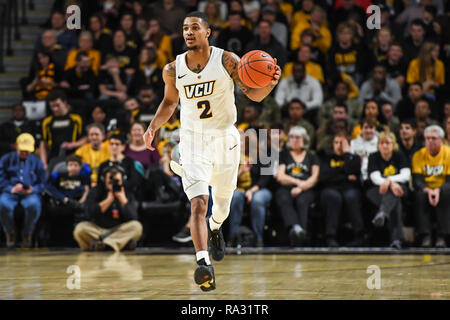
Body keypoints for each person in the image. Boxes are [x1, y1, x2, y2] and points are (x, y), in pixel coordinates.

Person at [142, 11, 280, 292]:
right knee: (198, 203)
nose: (188, 32)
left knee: (222, 206)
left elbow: (252, 93)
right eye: (184, 28)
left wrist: (271, 83)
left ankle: (216, 228)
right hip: (193, 140)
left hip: (225, 139)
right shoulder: (172, 68)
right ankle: (203, 263)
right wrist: (152, 126)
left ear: (208, 32)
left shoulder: (227, 60)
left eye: (194, 27)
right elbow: (169, 103)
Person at [73, 166, 143, 252]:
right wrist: (108, 201)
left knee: (136, 227)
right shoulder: (95, 191)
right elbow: (89, 213)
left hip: (119, 229)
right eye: (110, 182)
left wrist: (123, 200)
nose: (113, 184)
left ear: (123, 180)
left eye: (117, 182)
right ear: (103, 180)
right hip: (98, 230)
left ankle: (104, 245)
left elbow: (133, 217)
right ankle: (119, 244)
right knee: (80, 229)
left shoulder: (127, 193)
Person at [274, 126, 319, 246]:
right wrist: (297, 183)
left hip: (306, 189)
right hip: (288, 187)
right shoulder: (284, 155)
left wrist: (301, 188)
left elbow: (314, 178)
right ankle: (296, 227)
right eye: (292, 137)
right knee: (282, 197)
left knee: (302, 200)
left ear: (304, 139)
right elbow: (281, 176)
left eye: (297, 137)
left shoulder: (311, 156)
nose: (294, 140)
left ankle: (301, 234)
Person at [0, 133, 46, 248]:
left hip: (29, 192)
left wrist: (33, 189)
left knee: (34, 205)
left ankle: (27, 233)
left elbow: (43, 182)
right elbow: (1, 177)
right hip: (10, 191)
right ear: (16, 146)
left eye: (27, 150)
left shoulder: (37, 162)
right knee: (3, 204)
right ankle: (10, 233)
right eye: (22, 150)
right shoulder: (6, 159)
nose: (24, 153)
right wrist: (10, 188)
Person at [366, 132, 411, 249]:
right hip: (377, 190)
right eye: (382, 143)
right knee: (395, 201)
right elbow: (374, 177)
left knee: (394, 195)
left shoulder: (399, 155)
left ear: (393, 144)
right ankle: (396, 239)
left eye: (388, 143)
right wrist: (390, 184)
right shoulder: (374, 156)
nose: (385, 146)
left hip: (399, 188)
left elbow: (406, 175)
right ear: (378, 145)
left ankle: (382, 213)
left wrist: (389, 181)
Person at [319, 133, 364, 247]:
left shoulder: (354, 158)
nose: (339, 145)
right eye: (336, 142)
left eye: (342, 143)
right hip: (331, 188)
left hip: (349, 189)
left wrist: (347, 154)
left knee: (351, 196)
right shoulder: (326, 158)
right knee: (333, 197)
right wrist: (345, 176)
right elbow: (324, 177)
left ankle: (359, 235)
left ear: (348, 145)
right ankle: (330, 236)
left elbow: (354, 173)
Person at [412, 125, 450, 248]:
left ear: (441, 140)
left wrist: (439, 190)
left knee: (446, 194)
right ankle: (426, 235)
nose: (430, 141)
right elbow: (417, 180)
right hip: (426, 188)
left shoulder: (448, 154)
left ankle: (442, 236)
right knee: (419, 195)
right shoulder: (418, 155)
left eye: (433, 138)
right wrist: (428, 190)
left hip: (444, 187)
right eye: (427, 138)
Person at [40, 90, 87, 170]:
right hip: (54, 157)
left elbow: (86, 138)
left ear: (64, 103)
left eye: (58, 105)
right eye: (52, 106)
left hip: (74, 156)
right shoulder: (47, 122)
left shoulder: (76, 119)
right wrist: (43, 162)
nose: (55, 109)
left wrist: (73, 144)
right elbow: (43, 143)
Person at [350, 118, 379, 184]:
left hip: (374, 175)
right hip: (357, 176)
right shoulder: (353, 143)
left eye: (371, 128)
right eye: (365, 128)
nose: (368, 131)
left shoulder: (380, 143)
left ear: (375, 130)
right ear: (361, 129)